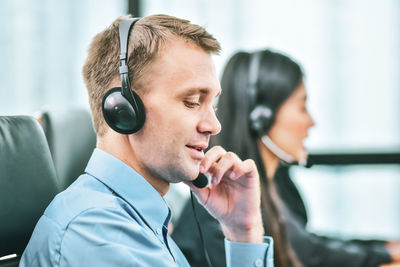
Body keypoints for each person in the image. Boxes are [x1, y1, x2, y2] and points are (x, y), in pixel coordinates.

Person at [20, 15, 274, 266]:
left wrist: (244, 231)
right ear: (123, 109)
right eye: (192, 102)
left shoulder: (143, 222)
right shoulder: (97, 233)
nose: (214, 126)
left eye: (213, 106)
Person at [172, 49, 400, 267]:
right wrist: (382, 254)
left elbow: (305, 244)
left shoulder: (278, 184)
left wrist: (385, 248)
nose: (311, 122)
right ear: (261, 118)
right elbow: (312, 254)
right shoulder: (226, 195)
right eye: (302, 107)